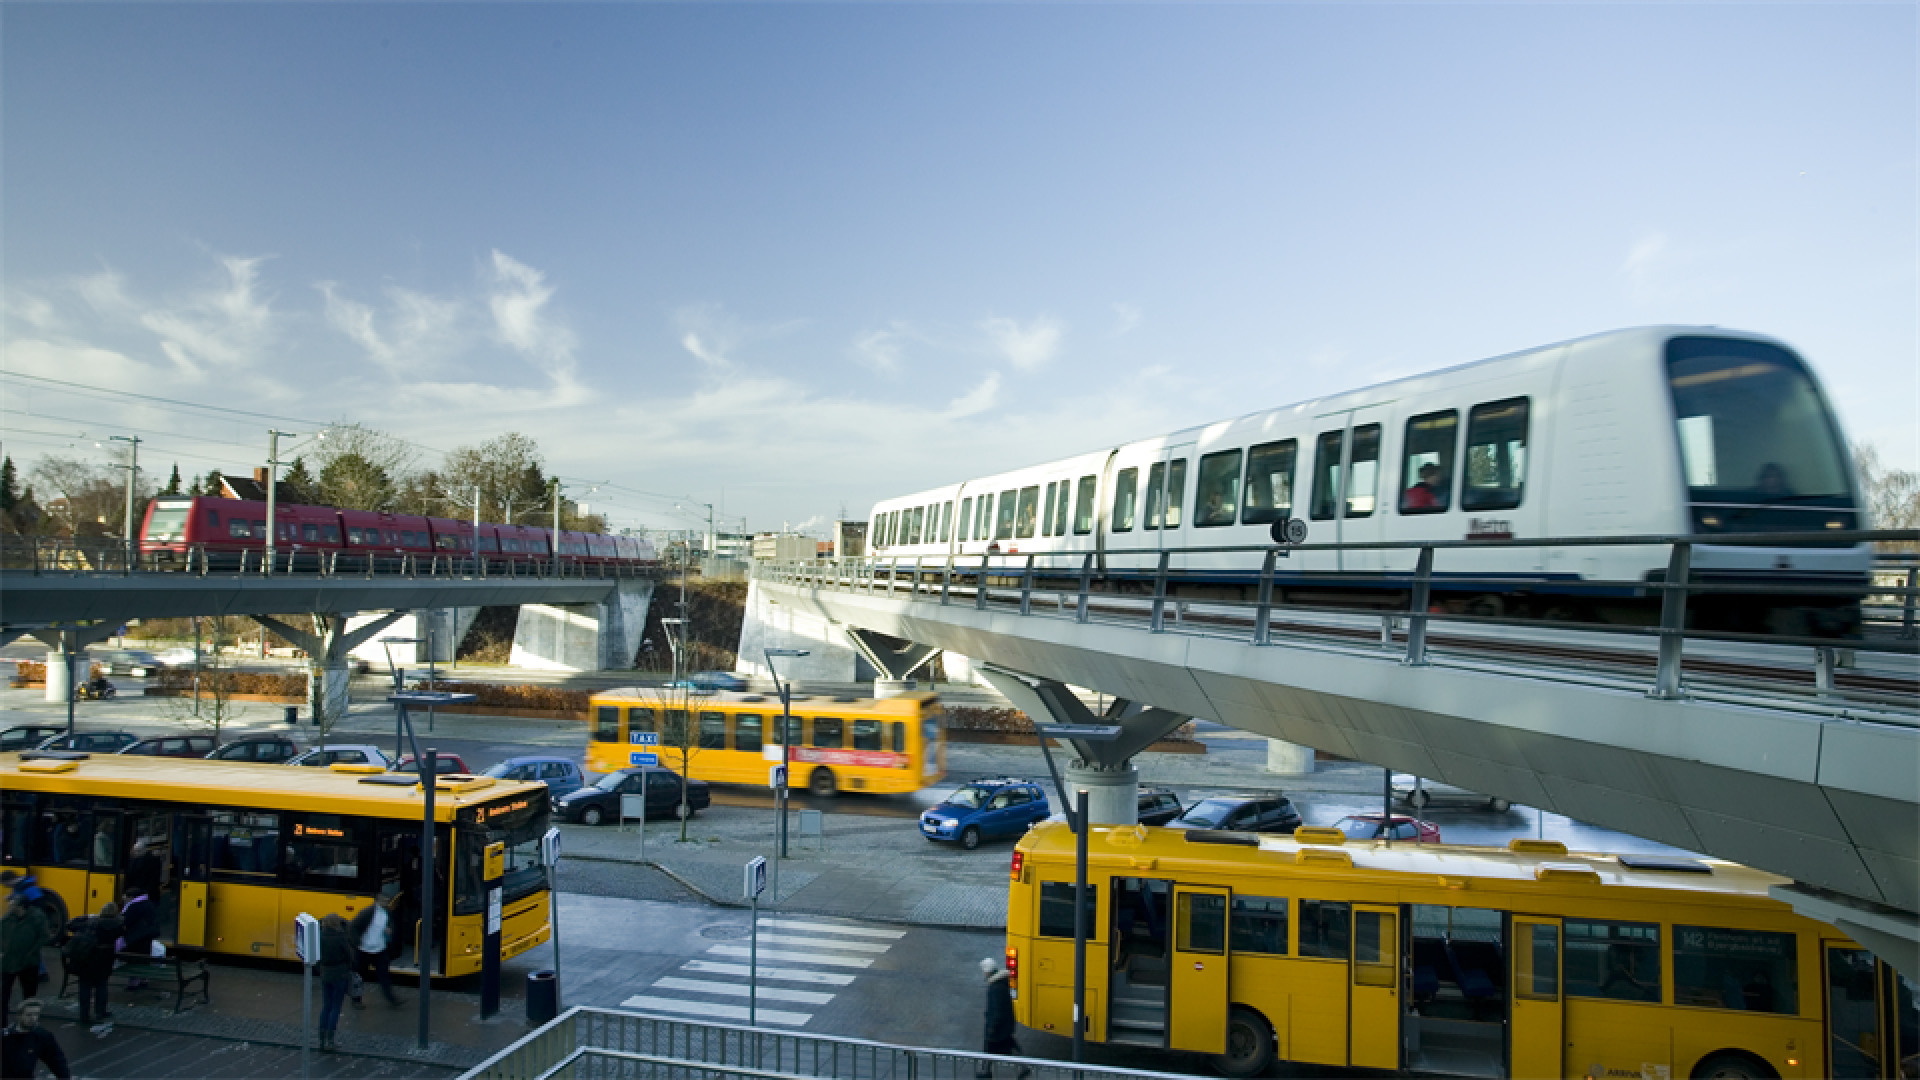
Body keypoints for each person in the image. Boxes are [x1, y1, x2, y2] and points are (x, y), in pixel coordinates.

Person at [63, 903, 119, 1036]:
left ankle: (84, 1014)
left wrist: (86, 916)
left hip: (87, 958)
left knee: (85, 986)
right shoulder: (117, 925)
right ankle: (100, 1012)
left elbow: (69, 925)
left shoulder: (90, 922)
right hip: (105, 959)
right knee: (102, 985)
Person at [976, 957, 1029, 1080]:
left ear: (987, 971)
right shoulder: (1002, 983)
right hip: (1006, 1024)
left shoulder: (994, 987)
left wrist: (992, 1027)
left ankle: (985, 1071)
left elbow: (996, 1010)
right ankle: (1022, 1067)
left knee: (991, 1047)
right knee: (1007, 1045)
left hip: (998, 1027)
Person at [350, 884, 402, 1008]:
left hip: (379, 949)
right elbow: (353, 926)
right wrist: (357, 943)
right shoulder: (368, 912)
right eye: (383, 900)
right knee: (360, 976)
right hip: (364, 950)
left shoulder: (387, 913)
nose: (386, 902)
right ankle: (356, 999)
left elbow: (390, 926)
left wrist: (389, 931)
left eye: (387, 901)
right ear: (377, 900)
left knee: (384, 975)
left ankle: (392, 999)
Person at [0, 896, 49, 1014]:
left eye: (13, 905)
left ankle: (28, 1022)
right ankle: (2, 1025)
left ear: (22, 907)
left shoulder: (37, 917)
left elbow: (44, 936)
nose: (9, 908)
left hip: (28, 963)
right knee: (3, 995)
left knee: (29, 995)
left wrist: (31, 952)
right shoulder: (7, 918)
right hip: (8, 961)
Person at [0, 999, 69, 1080]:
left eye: (36, 1014)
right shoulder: (5, 1036)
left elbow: (57, 1060)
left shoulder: (42, 1036)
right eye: (29, 1015)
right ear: (19, 1015)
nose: (33, 1018)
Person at [316, 914, 353, 1052]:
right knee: (336, 1007)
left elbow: (317, 957)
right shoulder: (340, 937)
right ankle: (330, 1039)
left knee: (326, 1006)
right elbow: (349, 956)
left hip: (326, 974)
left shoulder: (320, 936)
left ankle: (321, 1039)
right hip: (340, 974)